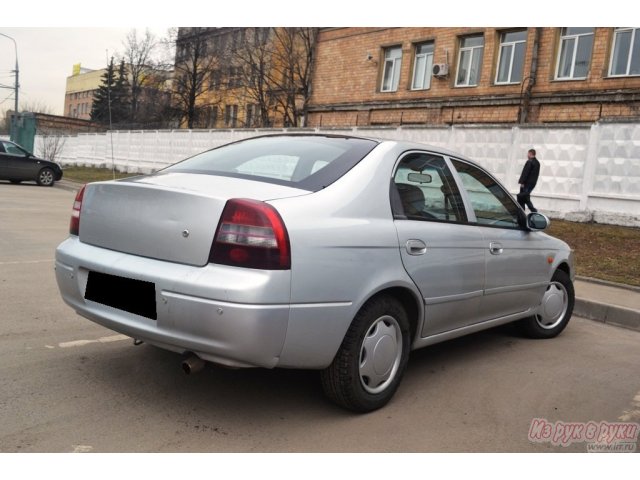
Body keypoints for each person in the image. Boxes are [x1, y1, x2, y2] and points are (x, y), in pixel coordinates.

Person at [517, 148, 540, 213]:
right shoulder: (537, 163)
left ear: (530, 154)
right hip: (532, 184)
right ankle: (526, 211)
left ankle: (529, 211)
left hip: (526, 183)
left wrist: (522, 182)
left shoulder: (529, 162)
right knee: (525, 197)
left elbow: (525, 173)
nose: (527, 155)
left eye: (528, 154)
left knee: (523, 197)